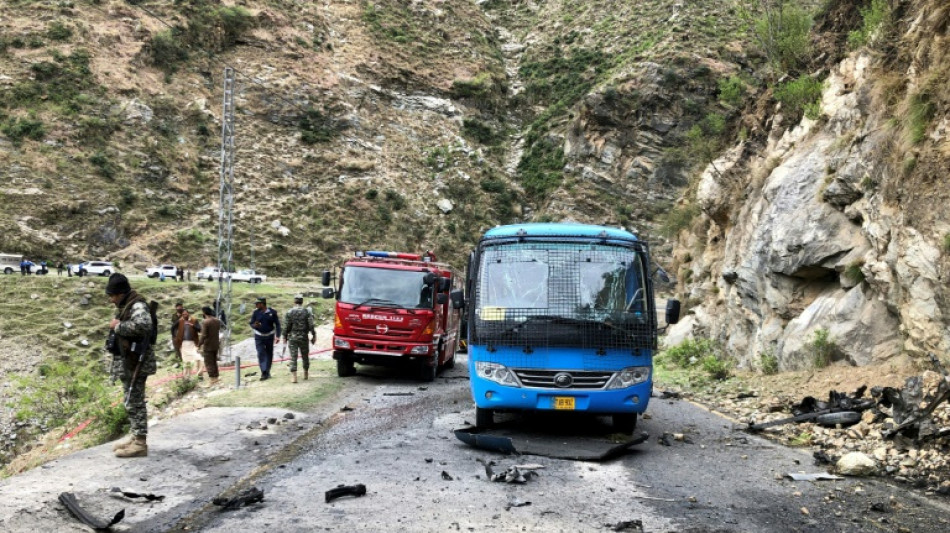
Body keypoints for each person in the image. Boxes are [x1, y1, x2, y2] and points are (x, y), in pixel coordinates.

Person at [105, 273, 155, 458]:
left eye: (112, 296)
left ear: (120, 293)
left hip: (137, 362)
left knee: (135, 401)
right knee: (130, 400)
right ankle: (135, 436)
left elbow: (144, 326)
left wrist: (118, 327)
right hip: (129, 361)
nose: (111, 300)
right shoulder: (128, 305)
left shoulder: (137, 306)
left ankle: (140, 443)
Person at [283, 294, 316, 383]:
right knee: (305, 356)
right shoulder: (307, 312)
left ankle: (294, 377)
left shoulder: (289, 312)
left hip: (293, 338)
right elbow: (311, 325)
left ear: (294, 301)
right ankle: (305, 373)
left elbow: (286, 326)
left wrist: (284, 336)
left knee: (293, 357)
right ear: (302, 302)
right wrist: (313, 335)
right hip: (304, 337)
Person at [249, 297, 280, 381]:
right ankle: (264, 372)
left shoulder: (272, 312)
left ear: (262, 304)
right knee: (260, 353)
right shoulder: (256, 313)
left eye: (257, 304)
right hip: (259, 336)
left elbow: (277, 324)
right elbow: (251, 323)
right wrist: (254, 325)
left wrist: (278, 336)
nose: (256, 305)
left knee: (269, 354)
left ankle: (267, 371)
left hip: (269, 336)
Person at [196, 306, 221, 386]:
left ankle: (212, 380)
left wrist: (199, 345)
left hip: (208, 345)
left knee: (208, 363)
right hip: (216, 344)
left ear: (204, 312)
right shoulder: (217, 321)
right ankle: (216, 378)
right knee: (214, 362)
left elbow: (203, 335)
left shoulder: (205, 322)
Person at [175, 309, 203, 376]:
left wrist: (192, 325)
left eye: (186, 314)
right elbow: (172, 328)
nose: (185, 315)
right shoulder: (180, 321)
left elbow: (199, 329)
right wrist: (175, 336)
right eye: (183, 314)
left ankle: (199, 375)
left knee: (198, 358)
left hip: (193, 343)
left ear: (188, 314)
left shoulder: (194, 320)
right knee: (186, 361)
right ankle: (187, 376)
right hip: (183, 344)